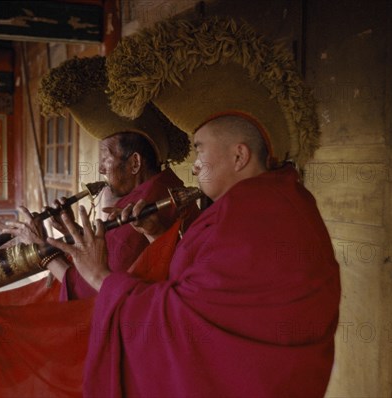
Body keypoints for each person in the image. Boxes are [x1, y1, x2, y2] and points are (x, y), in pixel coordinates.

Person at [48, 17, 341, 397]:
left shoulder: (253, 219)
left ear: (239, 155)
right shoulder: (272, 201)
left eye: (200, 148)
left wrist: (100, 275)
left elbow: (185, 329)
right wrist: (156, 236)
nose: (196, 163)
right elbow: (203, 294)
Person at [3, 56, 197, 300]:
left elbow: (91, 291)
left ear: (135, 163)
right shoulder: (166, 185)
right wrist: (72, 233)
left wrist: (41, 250)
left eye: (106, 158)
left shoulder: (142, 209)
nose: (102, 169)